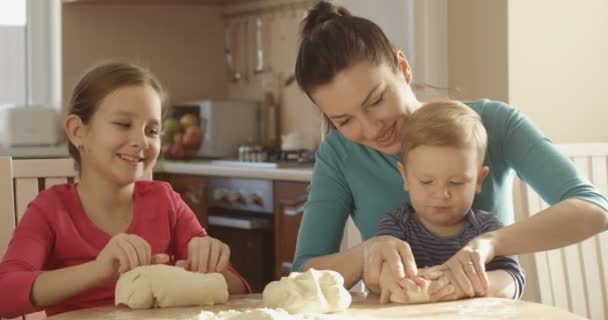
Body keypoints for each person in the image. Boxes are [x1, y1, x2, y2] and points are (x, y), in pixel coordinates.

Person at [292, 0, 608, 301]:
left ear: (403, 68)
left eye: (376, 100)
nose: (372, 128)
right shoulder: (339, 153)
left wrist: (490, 243)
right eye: (344, 121)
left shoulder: (493, 124)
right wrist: (366, 252)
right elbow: (302, 274)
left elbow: (594, 209)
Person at [0, 62, 250, 318]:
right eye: (123, 124)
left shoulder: (166, 202)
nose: (141, 141)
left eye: (152, 131)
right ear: (77, 131)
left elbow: (240, 289)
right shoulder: (51, 210)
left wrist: (211, 265)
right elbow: (4, 295)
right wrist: (99, 269)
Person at [375, 101, 524, 304]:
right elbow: (378, 272)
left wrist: (468, 285)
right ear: (406, 177)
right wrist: (391, 280)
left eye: (456, 182)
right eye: (427, 182)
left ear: (479, 180)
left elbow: (513, 280)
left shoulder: (486, 228)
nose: (442, 194)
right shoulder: (396, 225)